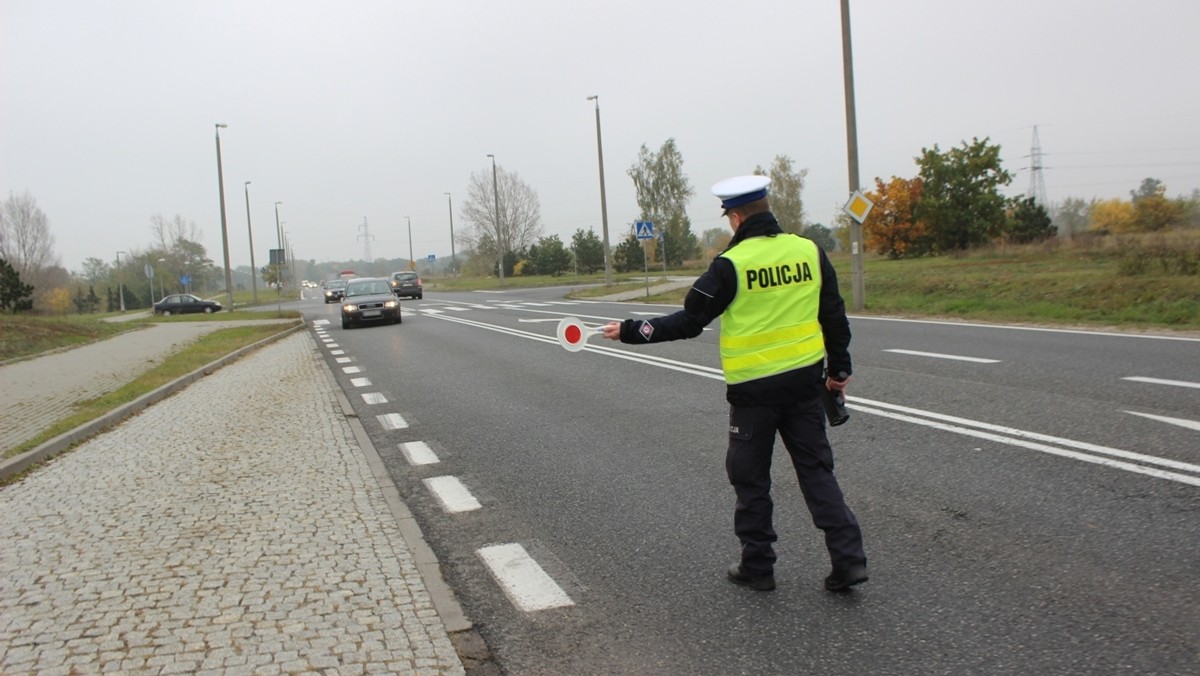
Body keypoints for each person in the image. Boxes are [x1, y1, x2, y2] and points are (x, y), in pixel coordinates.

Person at [601, 175, 868, 593]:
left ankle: (758, 566)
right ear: (767, 209)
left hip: (754, 394)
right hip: (804, 386)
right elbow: (834, 317)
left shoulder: (731, 264)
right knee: (817, 473)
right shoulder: (809, 252)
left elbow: (690, 321)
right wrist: (838, 372)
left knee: (750, 478)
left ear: (737, 217)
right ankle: (849, 561)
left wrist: (633, 330)